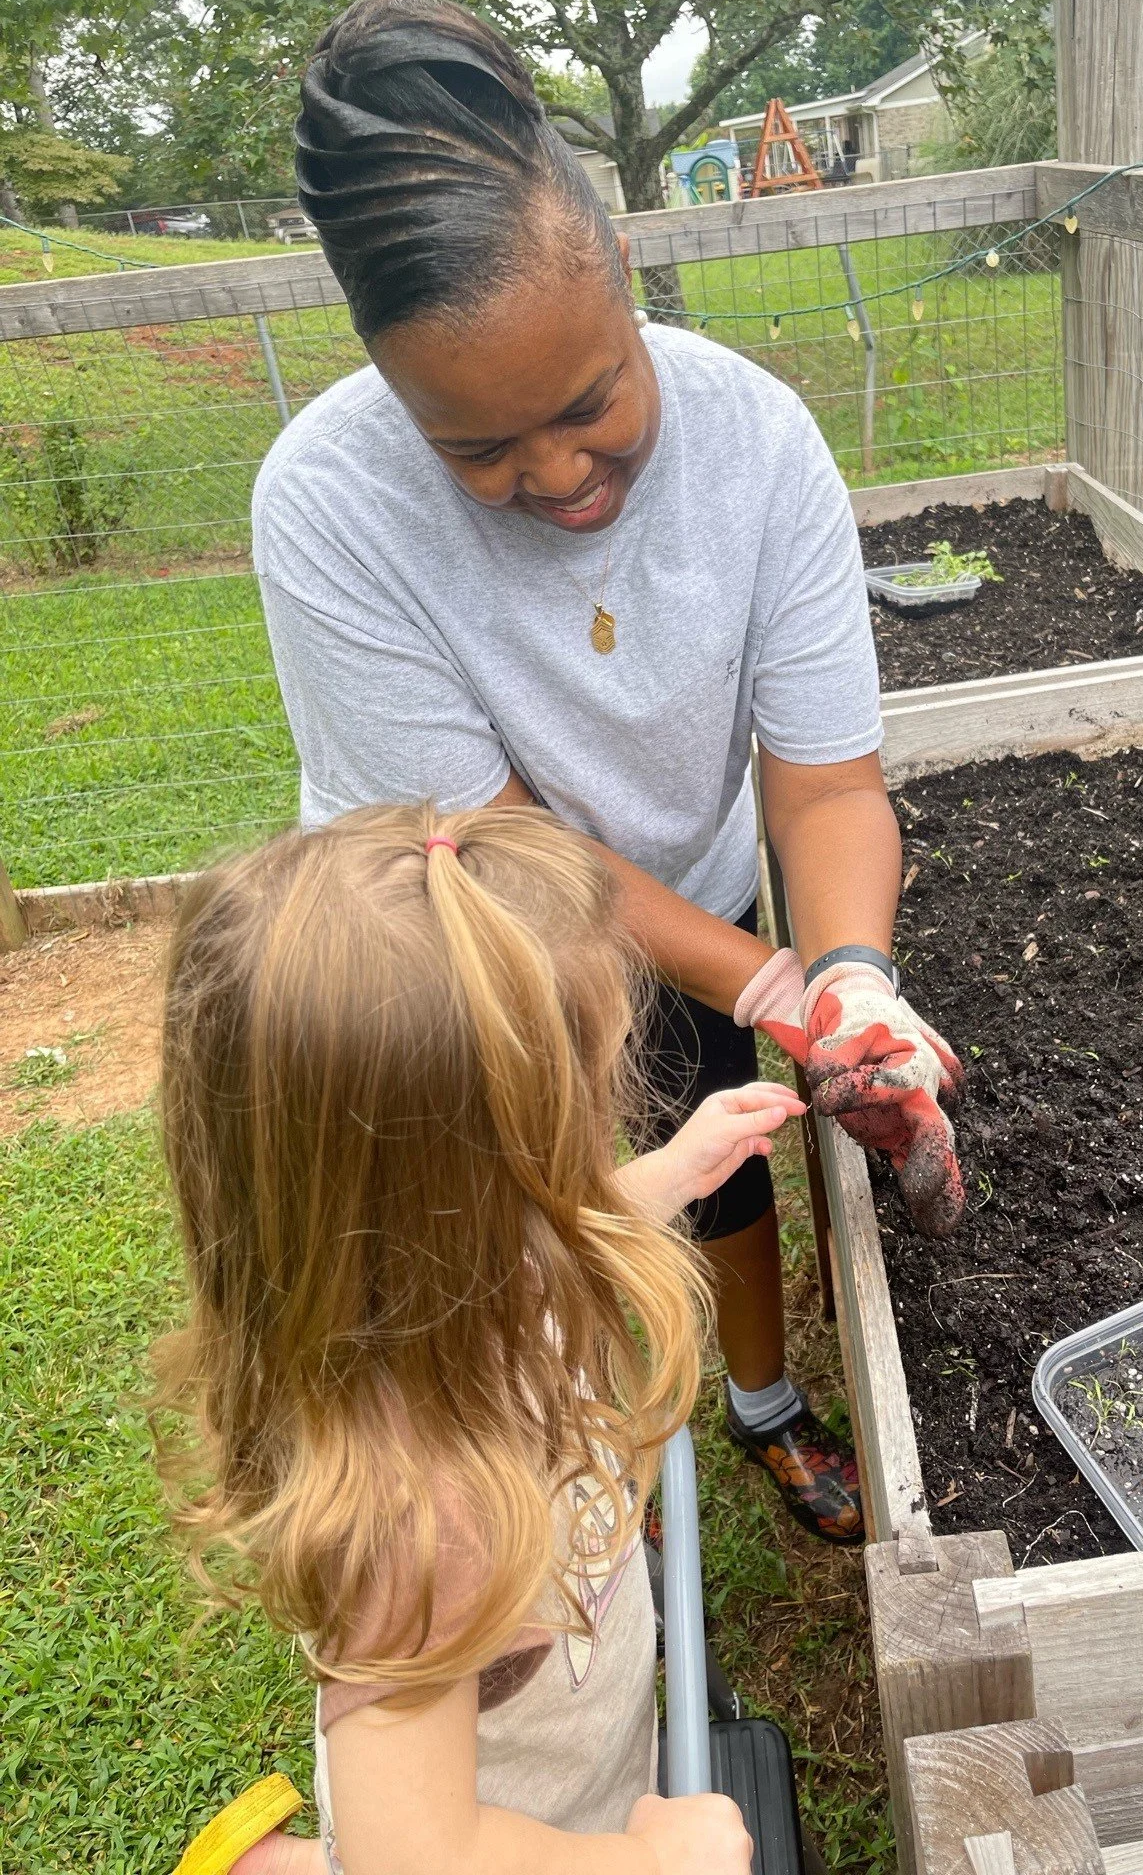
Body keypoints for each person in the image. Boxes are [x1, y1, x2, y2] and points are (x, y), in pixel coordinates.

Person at [250, 0, 966, 1545]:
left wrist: (842, 977)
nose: (559, 476)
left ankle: (765, 1409)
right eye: (480, 452)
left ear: (629, 274)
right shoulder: (324, 505)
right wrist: (764, 984)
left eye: (588, 408)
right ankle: (579, 1481)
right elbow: (498, 842)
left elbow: (827, 782)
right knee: (520, 1230)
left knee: (722, 1174)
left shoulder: (758, 443)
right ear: (388, 382)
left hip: (689, 900)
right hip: (464, 946)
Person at [163, 804, 805, 1875]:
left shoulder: (454, 1289)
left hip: (579, 1774)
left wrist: (674, 1174)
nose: (603, 1144)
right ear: (451, 1212)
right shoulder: (421, 1517)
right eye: (573, 1132)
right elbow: (420, 1855)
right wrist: (652, 1864)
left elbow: (550, 1254)